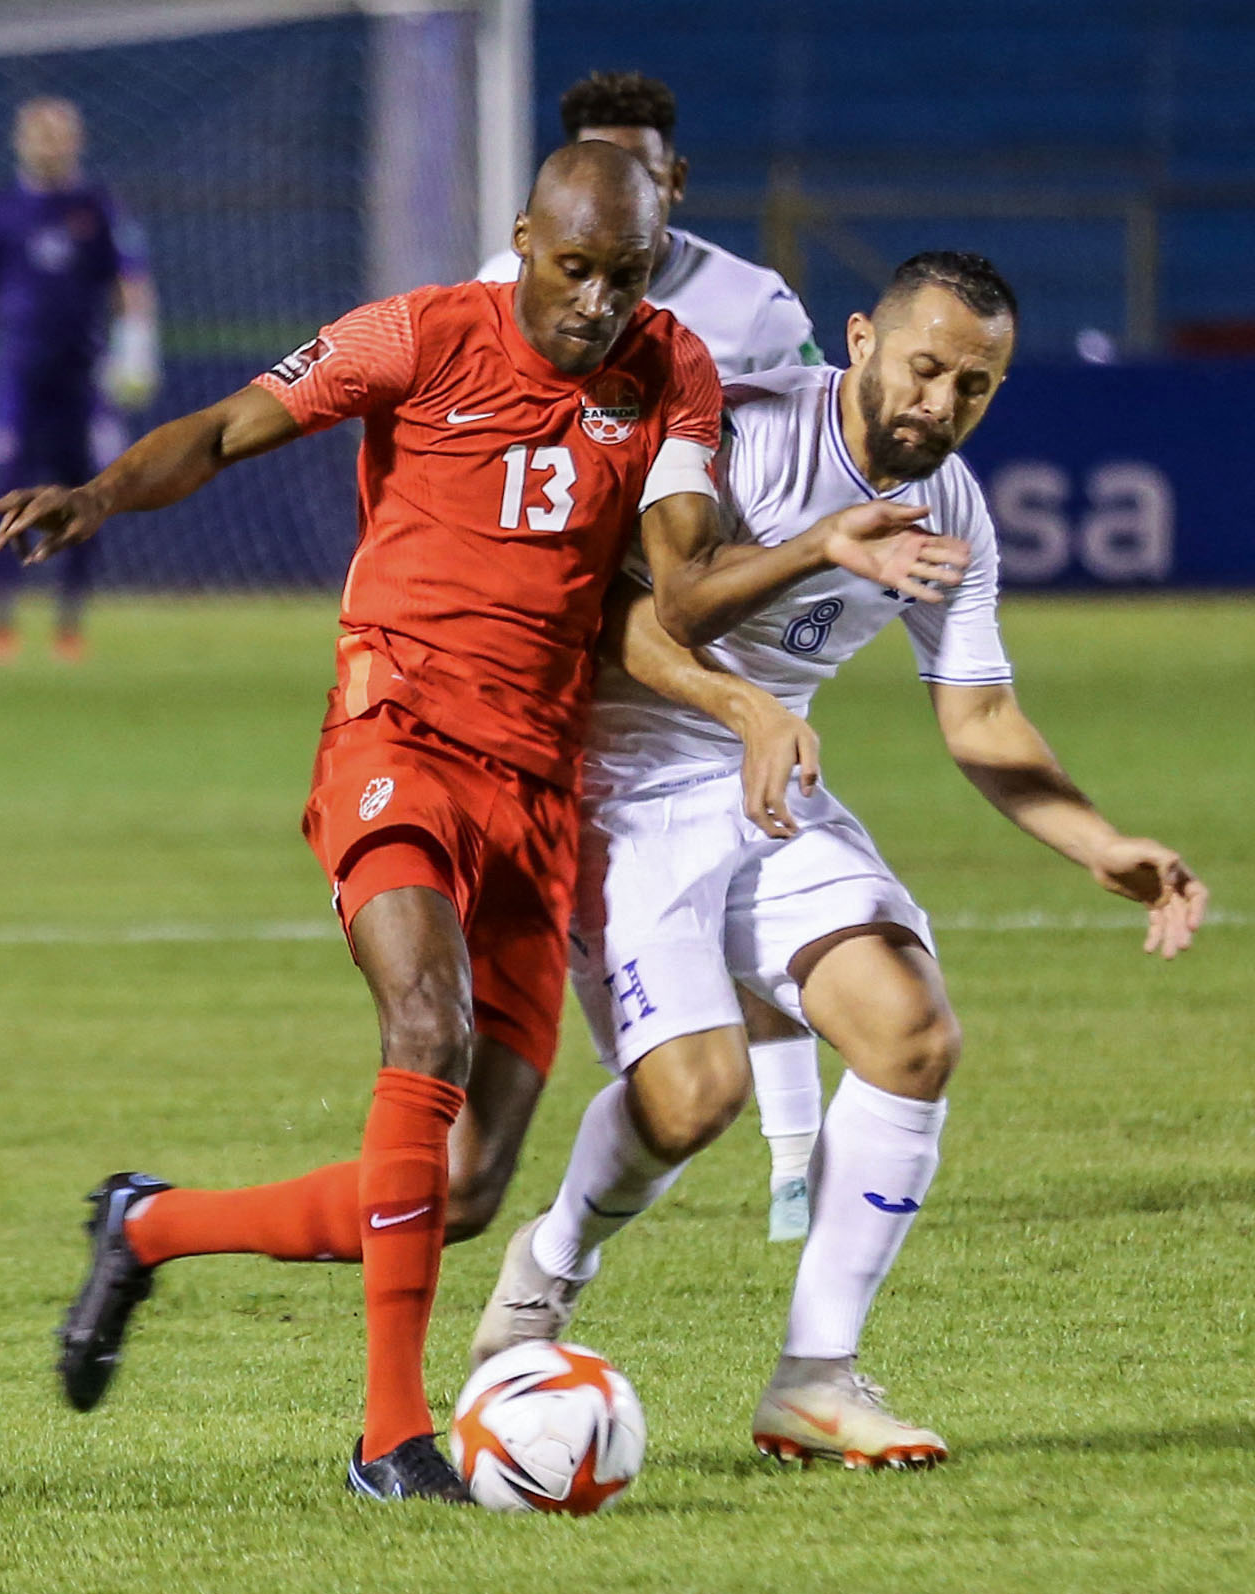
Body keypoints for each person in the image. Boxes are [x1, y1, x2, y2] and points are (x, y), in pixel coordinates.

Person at [0, 143, 973, 1504]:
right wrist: (97, 495)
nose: (597, 304)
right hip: (394, 733)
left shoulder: (669, 367)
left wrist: (810, 548)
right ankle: (389, 1434)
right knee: (425, 1029)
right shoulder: (417, 334)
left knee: (458, 1191)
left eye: (624, 278)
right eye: (573, 270)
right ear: (524, 240)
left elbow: (680, 582)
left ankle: (150, 1225)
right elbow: (221, 429)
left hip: (539, 782)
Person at [468, 252, 1208, 1469]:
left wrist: (1097, 839)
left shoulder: (950, 509)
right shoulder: (741, 428)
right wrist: (783, 627)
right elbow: (636, 620)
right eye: (924, 368)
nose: (940, 404)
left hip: (766, 788)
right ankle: (549, 1266)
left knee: (911, 1033)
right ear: (859, 340)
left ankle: (813, 1379)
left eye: (975, 387)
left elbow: (977, 719)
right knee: (694, 1098)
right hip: (613, 787)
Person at [482, 69, 831, 1241]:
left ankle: (794, 1158)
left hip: (692, 617)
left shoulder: (754, 304)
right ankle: (507, 1188)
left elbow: (799, 454)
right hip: (558, 639)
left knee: (747, 860)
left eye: (640, 166)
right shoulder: (496, 293)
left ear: (672, 179)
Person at [0, 97, 160, 663]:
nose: (50, 143)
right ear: (20, 141)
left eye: (61, 133)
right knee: (9, 493)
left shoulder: (98, 207)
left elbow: (129, 281)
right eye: (40, 133)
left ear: (77, 141)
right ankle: (2, 619)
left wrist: (136, 348)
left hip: (81, 378)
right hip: (18, 377)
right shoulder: (1, 211)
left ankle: (69, 623)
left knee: (86, 495)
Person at [479, 71, 820, 380]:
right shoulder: (501, 283)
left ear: (676, 180)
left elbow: (815, 428)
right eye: (598, 180)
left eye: (644, 179)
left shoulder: (758, 309)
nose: (617, 202)